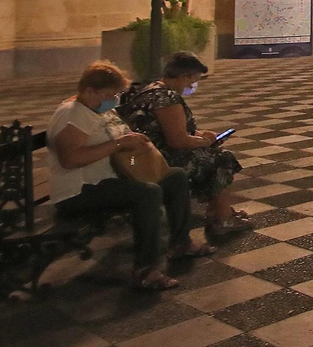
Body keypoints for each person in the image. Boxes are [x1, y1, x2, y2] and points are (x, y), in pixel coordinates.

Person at [48, 61, 207, 290]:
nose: (114, 100)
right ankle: (146, 269)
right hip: (79, 190)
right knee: (148, 193)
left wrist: (135, 151)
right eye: (111, 94)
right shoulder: (74, 115)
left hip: (107, 179)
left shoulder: (98, 108)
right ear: (90, 90)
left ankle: (181, 243)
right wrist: (120, 143)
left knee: (175, 178)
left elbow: (123, 155)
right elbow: (70, 159)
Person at [119, 51, 248, 240]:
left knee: (211, 152)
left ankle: (219, 210)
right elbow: (177, 141)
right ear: (183, 76)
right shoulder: (167, 98)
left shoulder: (150, 90)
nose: (192, 86)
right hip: (160, 157)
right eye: (192, 81)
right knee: (222, 158)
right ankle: (223, 219)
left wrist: (200, 136)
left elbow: (167, 130)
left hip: (148, 152)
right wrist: (205, 141)